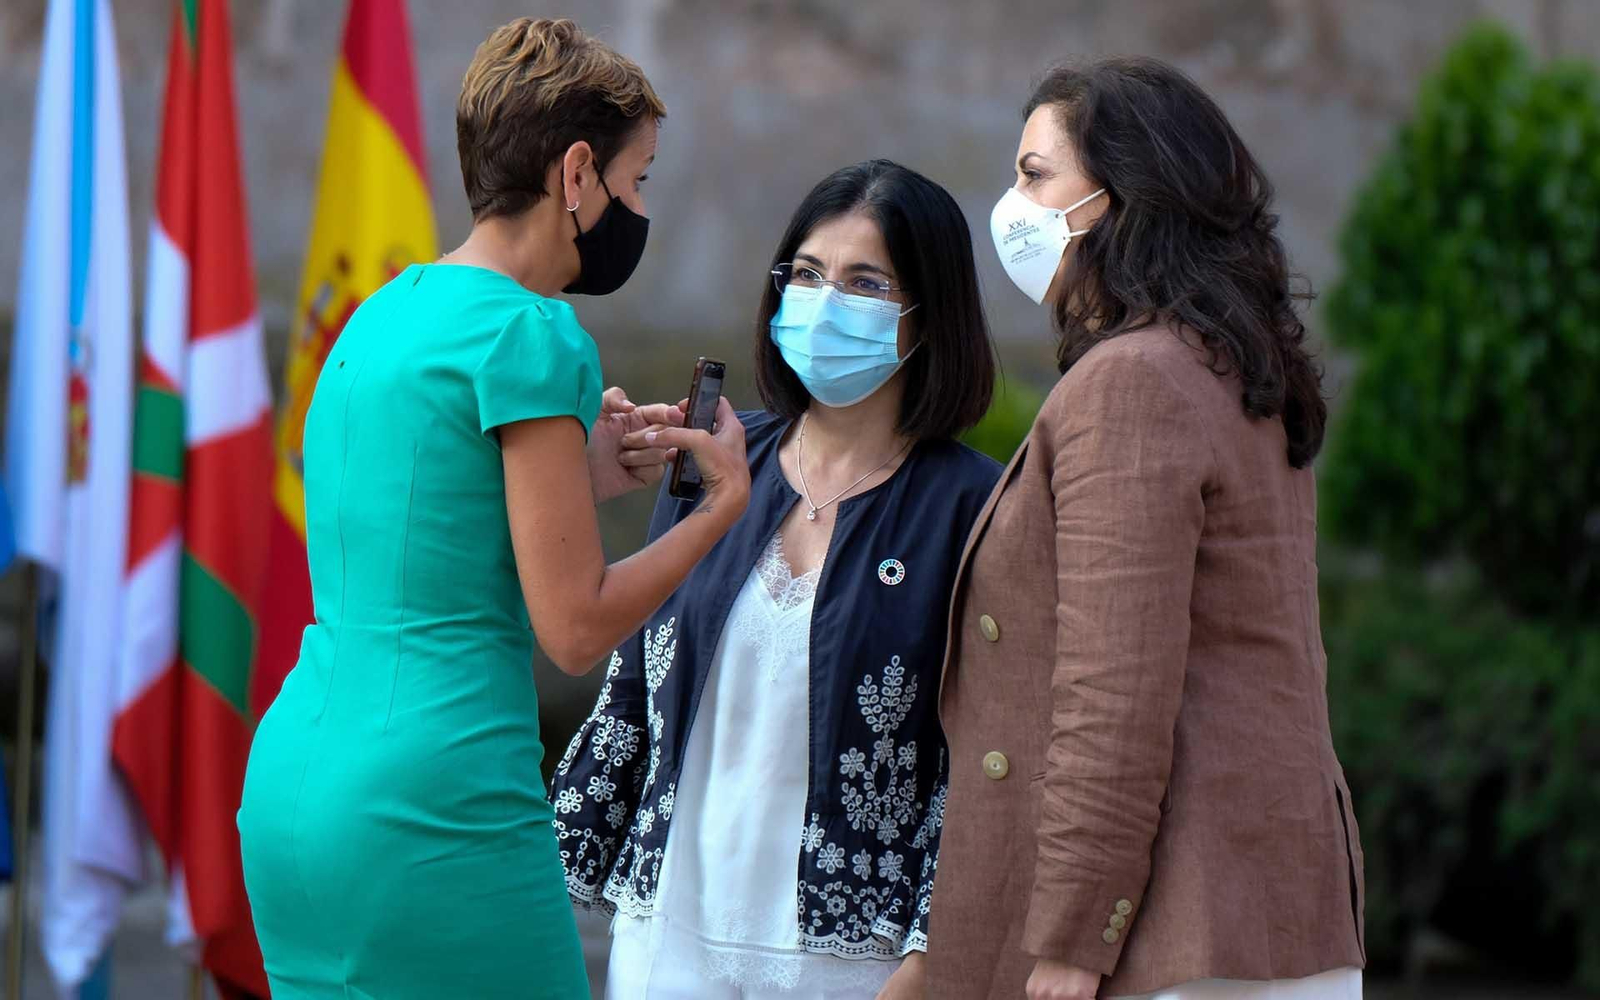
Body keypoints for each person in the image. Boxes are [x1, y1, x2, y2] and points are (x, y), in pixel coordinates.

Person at [236, 19, 751, 999]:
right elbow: (574, 625)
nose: (639, 208)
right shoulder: (536, 333)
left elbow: (424, 514)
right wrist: (716, 512)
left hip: (294, 794)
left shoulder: (379, 312)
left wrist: (584, 466)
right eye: (636, 182)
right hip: (436, 803)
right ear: (575, 175)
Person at [928, 59, 1366, 1000]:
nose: (1012, 207)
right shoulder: (1227, 372)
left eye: (1036, 176)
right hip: (1265, 909)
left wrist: (1073, 938)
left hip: (1177, 931)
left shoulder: (1133, 384)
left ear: (1125, 197)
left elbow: (1114, 692)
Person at [550, 159, 1002, 999]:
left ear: (927, 315)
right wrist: (542, 893)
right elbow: (628, 704)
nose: (826, 301)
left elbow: (983, 763)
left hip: (850, 966)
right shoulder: (719, 462)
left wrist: (927, 959)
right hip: (668, 942)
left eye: (866, 282)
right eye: (806, 273)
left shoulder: (974, 506)